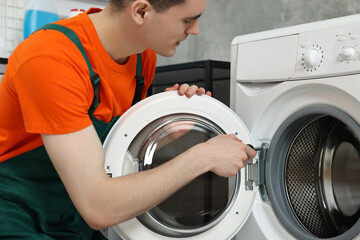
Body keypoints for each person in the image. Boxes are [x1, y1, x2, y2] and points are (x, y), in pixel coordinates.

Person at [0, 0, 256, 239]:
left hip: (71, 216)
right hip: (16, 213)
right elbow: (98, 206)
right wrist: (202, 157)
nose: (196, 30)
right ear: (141, 12)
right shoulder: (52, 58)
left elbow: (110, 153)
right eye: (188, 20)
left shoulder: (142, 57)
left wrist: (163, 125)